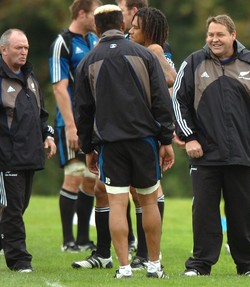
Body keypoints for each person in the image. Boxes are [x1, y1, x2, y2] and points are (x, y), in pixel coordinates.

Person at [172, 14, 250, 277]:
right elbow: (178, 102)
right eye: (210, 35)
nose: (214, 39)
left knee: (243, 213)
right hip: (204, 154)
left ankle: (247, 266)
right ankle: (200, 265)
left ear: (233, 35)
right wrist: (189, 137)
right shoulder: (193, 62)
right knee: (204, 213)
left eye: (219, 34)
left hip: (243, 153)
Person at [74, 4, 175, 279]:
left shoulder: (88, 61)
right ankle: (153, 266)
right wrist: (166, 138)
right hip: (144, 140)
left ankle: (124, 268)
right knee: (149, 201)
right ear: (122, 25)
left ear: (96, 29)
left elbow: (83, 111)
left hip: (110, 143)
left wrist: (88, 148)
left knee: (117, 203)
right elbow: (161, 100)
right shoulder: (145, 55)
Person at [0, 28, 57, 272]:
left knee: (18, 207)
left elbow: (40, 115)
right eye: (18, 48)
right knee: (12, 211)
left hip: (29, 156)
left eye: (26, 48)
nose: (23, 52)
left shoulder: (30, 77)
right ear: (3, 50)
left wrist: (48, 135)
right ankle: (20, 261)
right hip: (6, 158)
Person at [49, 0, 102, 253]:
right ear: (82, 13)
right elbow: (59, 87)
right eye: (93, 13)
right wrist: (71, 127)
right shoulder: (63, 43)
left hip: (92, 124)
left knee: (91, 178)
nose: (96, 18)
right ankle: (67, 240)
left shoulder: (94, 40)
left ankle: (83, 239)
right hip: (69, 123)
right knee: (74, 175)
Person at [128, 5, 177, 270]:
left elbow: (173, 79)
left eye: (136, 25)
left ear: (149, 28)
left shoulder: (157, 50)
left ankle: (147, 254)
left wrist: (154, 58)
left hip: (149, 128)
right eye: (131, 25)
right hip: (131, 126)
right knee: (136, 192)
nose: (131, 29)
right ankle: (142, 253)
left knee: (149, 190)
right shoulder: (128, 46)